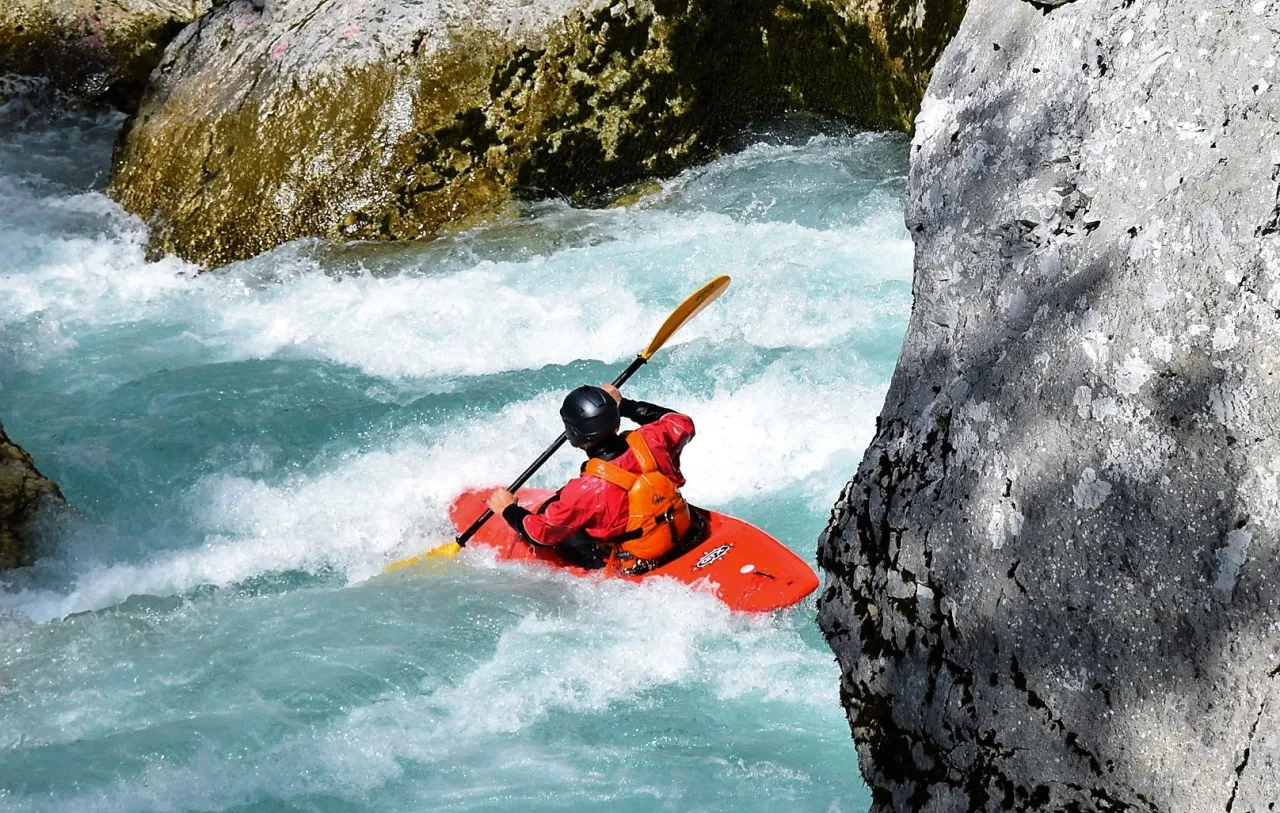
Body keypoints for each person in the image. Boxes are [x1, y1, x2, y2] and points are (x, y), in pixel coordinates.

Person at [485, 383, 706, 572]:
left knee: (555, 521)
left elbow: (541, 533)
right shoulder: (653, 439)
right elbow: (681, 422)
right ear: (616, 419)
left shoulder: (585, 490)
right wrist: (625, 404)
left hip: (639, 560)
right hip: (684, 529)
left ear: (574, 436)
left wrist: (509, 509)